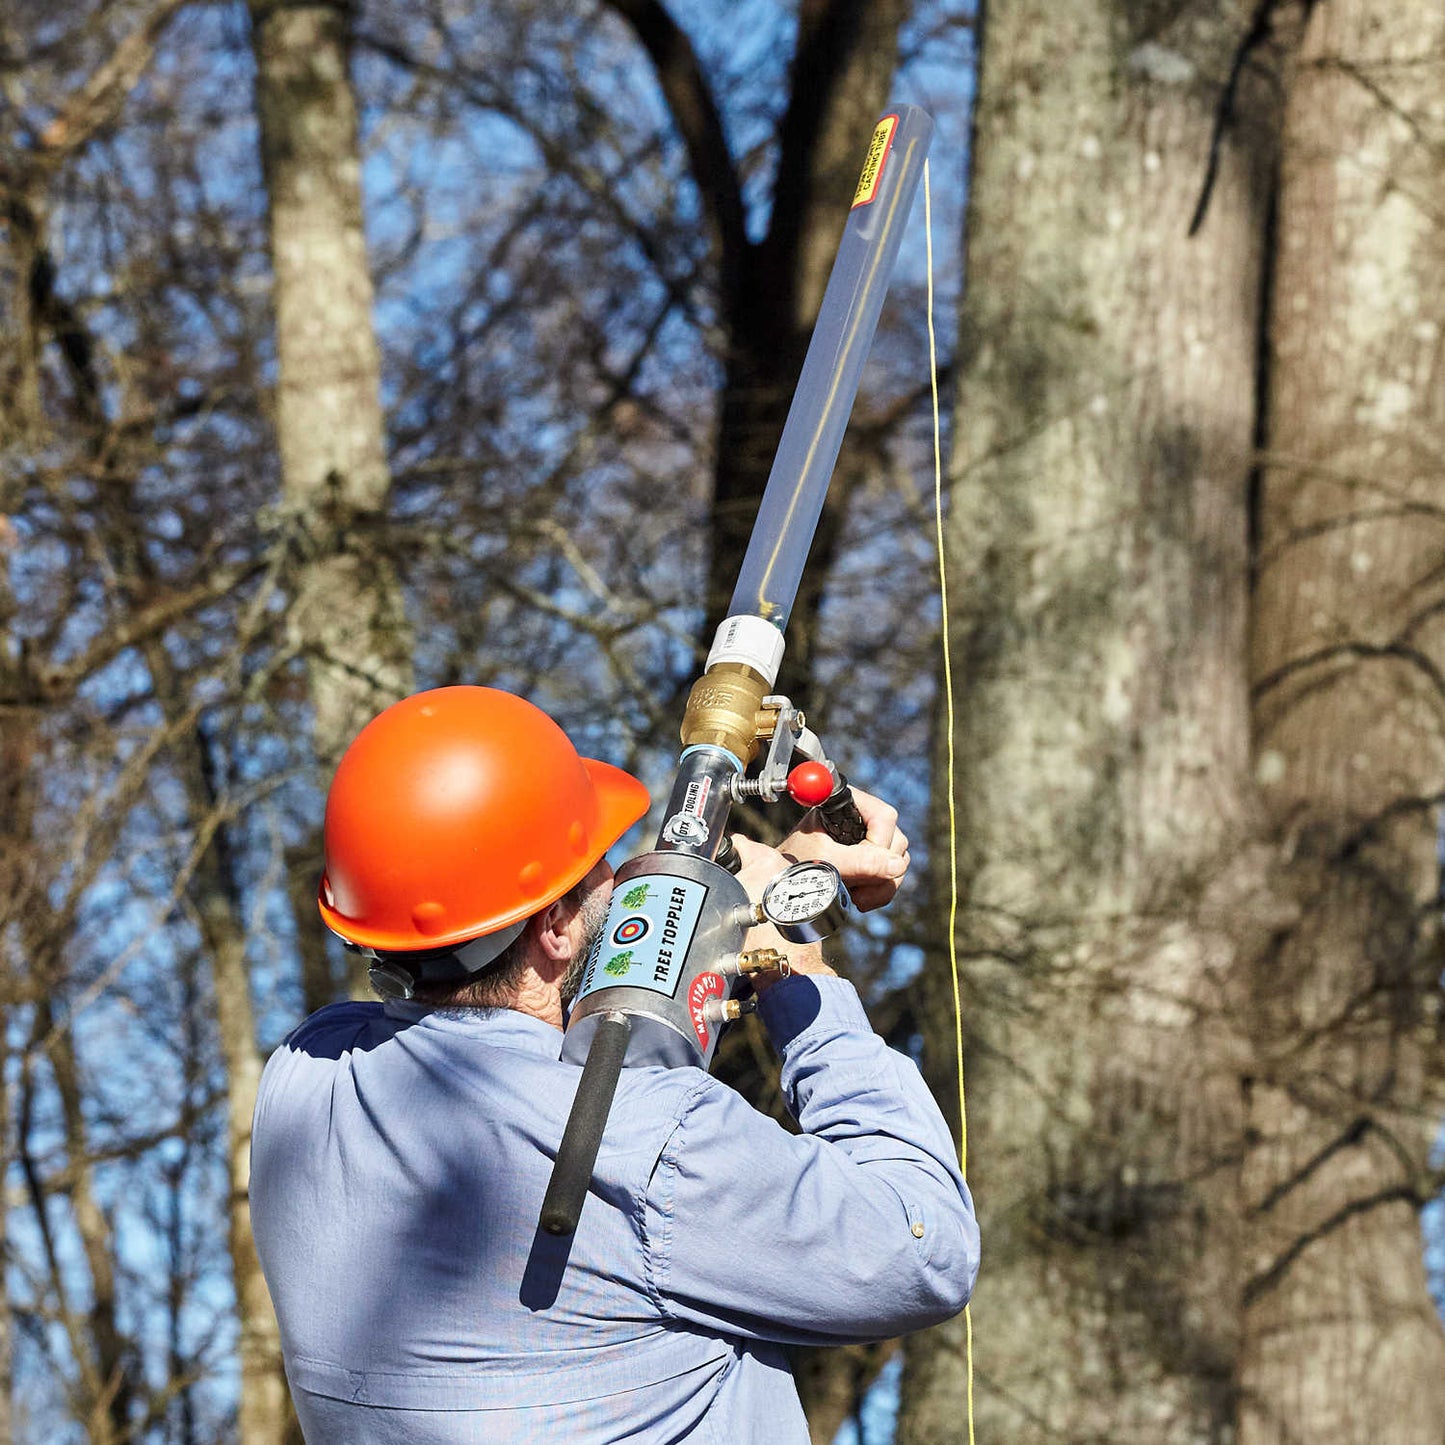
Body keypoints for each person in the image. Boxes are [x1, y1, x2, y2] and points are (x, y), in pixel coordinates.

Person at [251, 685, 978, 1443]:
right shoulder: (648, 1147)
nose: (611, 870)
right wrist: (791, 960)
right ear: (556, 927)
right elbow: (928, 1248)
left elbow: (518, 1040)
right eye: (597, 861)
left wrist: (712, 894)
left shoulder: (308, 1079)